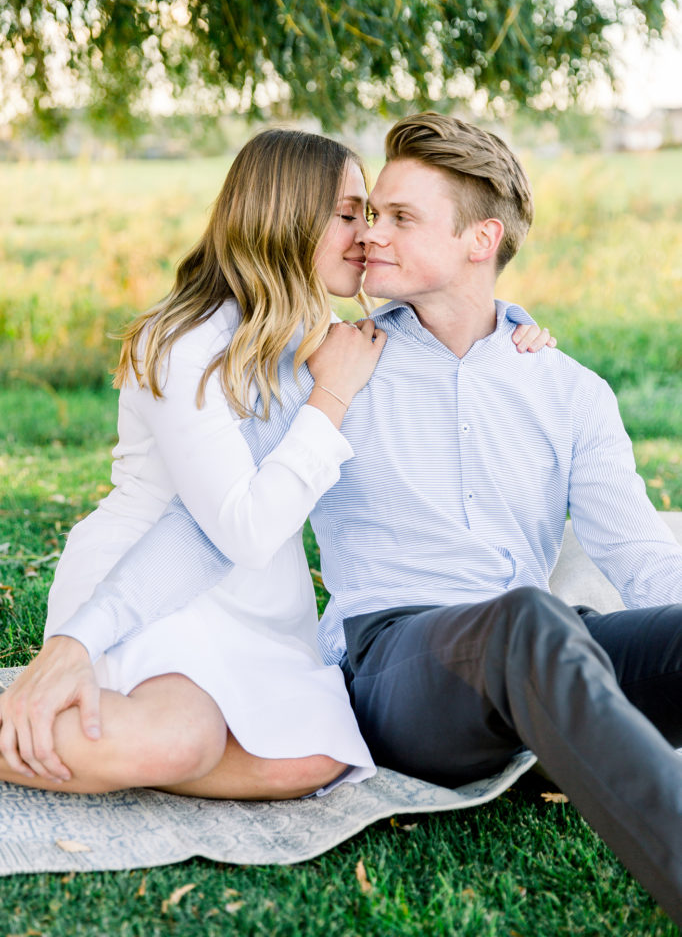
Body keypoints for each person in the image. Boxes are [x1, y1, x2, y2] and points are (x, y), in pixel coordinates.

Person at [0, 125, 555, 799]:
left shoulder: (318, 334)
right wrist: (332, 395)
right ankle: (141, 738)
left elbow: (451, 337)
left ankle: (144, 749)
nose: (369, 235)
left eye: (372, 215)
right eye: (349, 214)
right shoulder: (183, 341)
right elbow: (240, 530)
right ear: (287, 218)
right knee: (186, 737)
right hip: (151, 577)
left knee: (314, 758)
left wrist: (518, 331)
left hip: (263, 600)